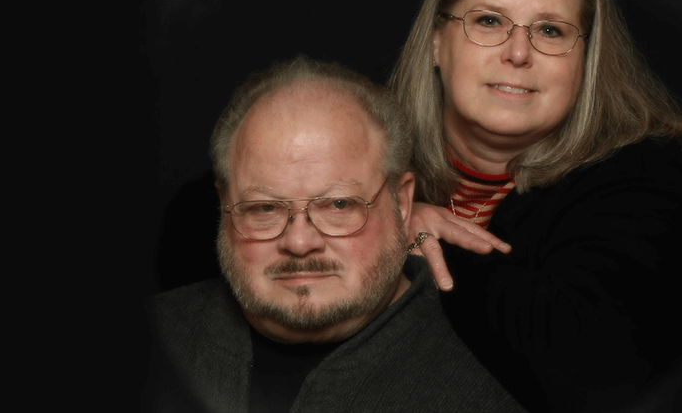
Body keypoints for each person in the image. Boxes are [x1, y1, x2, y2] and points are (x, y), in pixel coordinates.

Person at [389, 0, 682, 412]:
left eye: (549, 31)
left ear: (586, 59)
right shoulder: (365, 146)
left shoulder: (647, 179)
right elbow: (242, 211)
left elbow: (584, 366)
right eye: (489, 21)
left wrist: (410, 237)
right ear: (438, 43)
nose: (518, 54)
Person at [143, 56, 525, 412]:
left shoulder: (492, 378)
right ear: (224, 202)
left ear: (402, 203)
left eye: (338, 205)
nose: (299, 242)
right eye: (264, 208)